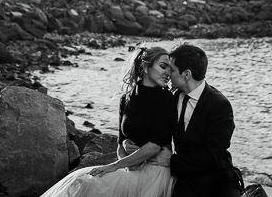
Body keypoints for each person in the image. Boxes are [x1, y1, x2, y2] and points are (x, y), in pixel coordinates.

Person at [40, 46, 176, 197]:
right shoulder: (127, 99)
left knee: (87, 184)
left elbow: (154, 147)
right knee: (80, 181)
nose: (168, 73)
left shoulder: (166, 99)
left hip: (155, 173)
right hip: (130, 168)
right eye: (163, 66)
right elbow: (121, 142)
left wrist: (115, 166)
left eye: (170, 69)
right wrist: (126, 159)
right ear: (145, 66)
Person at [168, 43, 243, 197]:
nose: (168, 73)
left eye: (172, 69)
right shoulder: (173, 97)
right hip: (184, 178)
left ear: (186, 74)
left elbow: (212, 156)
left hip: (216, 180)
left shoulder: (219, 105)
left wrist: (170, 161)